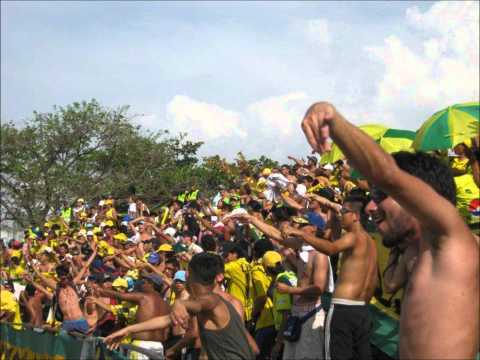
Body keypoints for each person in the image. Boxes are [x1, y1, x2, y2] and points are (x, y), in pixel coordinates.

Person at [301, 102, 479, 359]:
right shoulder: (421, 252)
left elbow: (388, 174)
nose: (371, 206)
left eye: (380, 194)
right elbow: (392, 284)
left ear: (418, 197)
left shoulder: (453, 240)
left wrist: (331, 118)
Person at [104, 253, 257, 360]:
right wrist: (128, 330)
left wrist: (180, 303)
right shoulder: (211, 302)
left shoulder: (212, 300)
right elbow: (166, 320)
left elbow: (200, 304)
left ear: (189, 275)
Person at [91, 273, 170, 359]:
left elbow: (122, 296)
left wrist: (101, 291)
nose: (142, 284)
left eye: (145, 282)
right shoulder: (165, 304)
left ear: (151, 284)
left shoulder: (144, 297)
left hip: (141, 345)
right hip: (159, 346)